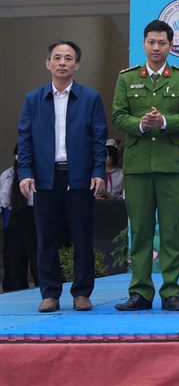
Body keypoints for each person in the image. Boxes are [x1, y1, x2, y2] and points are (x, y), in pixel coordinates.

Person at [112, 19, 179, 312]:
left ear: (171, 46)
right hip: (137, 165)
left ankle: (171, 292)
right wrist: (140, 123)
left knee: (172, 230)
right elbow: (118, 116)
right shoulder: (127, 78)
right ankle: (140, 292)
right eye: (151, 42)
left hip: (172, 165)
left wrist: (163, 122)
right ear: (143, 44)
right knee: (140, 231)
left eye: (162, 43)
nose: (156, 48)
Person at [17, 40, 107, 312]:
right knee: (46, 239)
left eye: (68, 58)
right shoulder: (33, 99)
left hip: (80, 176)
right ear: (48, 63)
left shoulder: (90, 98)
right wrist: (25, 172)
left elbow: (98, 138)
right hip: (46, 177)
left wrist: (98, 171)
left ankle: (82, 293)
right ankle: (50, 293)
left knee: (82, 237)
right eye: (57, 58)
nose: (62, 63)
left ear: (76, 65)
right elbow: (25, 138)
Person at [2, 149, 38, 292]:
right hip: (16, 216)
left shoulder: (37, 173)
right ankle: (18, 287)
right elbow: (4, 201)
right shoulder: (8, 174)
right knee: (16, 255)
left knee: (34, 254)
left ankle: (41, 286)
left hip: (31, 215)